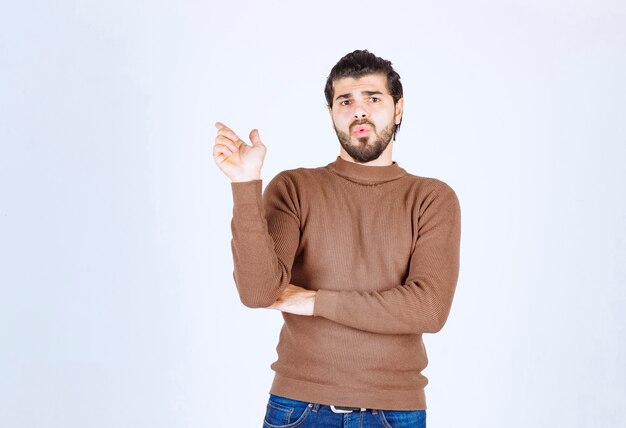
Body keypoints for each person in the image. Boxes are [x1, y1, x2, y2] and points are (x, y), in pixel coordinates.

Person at [213, 50, 461, 428]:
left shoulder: (431, 198)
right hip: (298, 408)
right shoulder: (295, 187)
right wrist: (245, 184)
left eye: (373, 99)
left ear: (398, 110)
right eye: (345, 101)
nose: (359, 111)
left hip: (395, 411)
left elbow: (427, 309)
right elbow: (258, 292)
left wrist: (314, 301)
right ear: (331, 114)